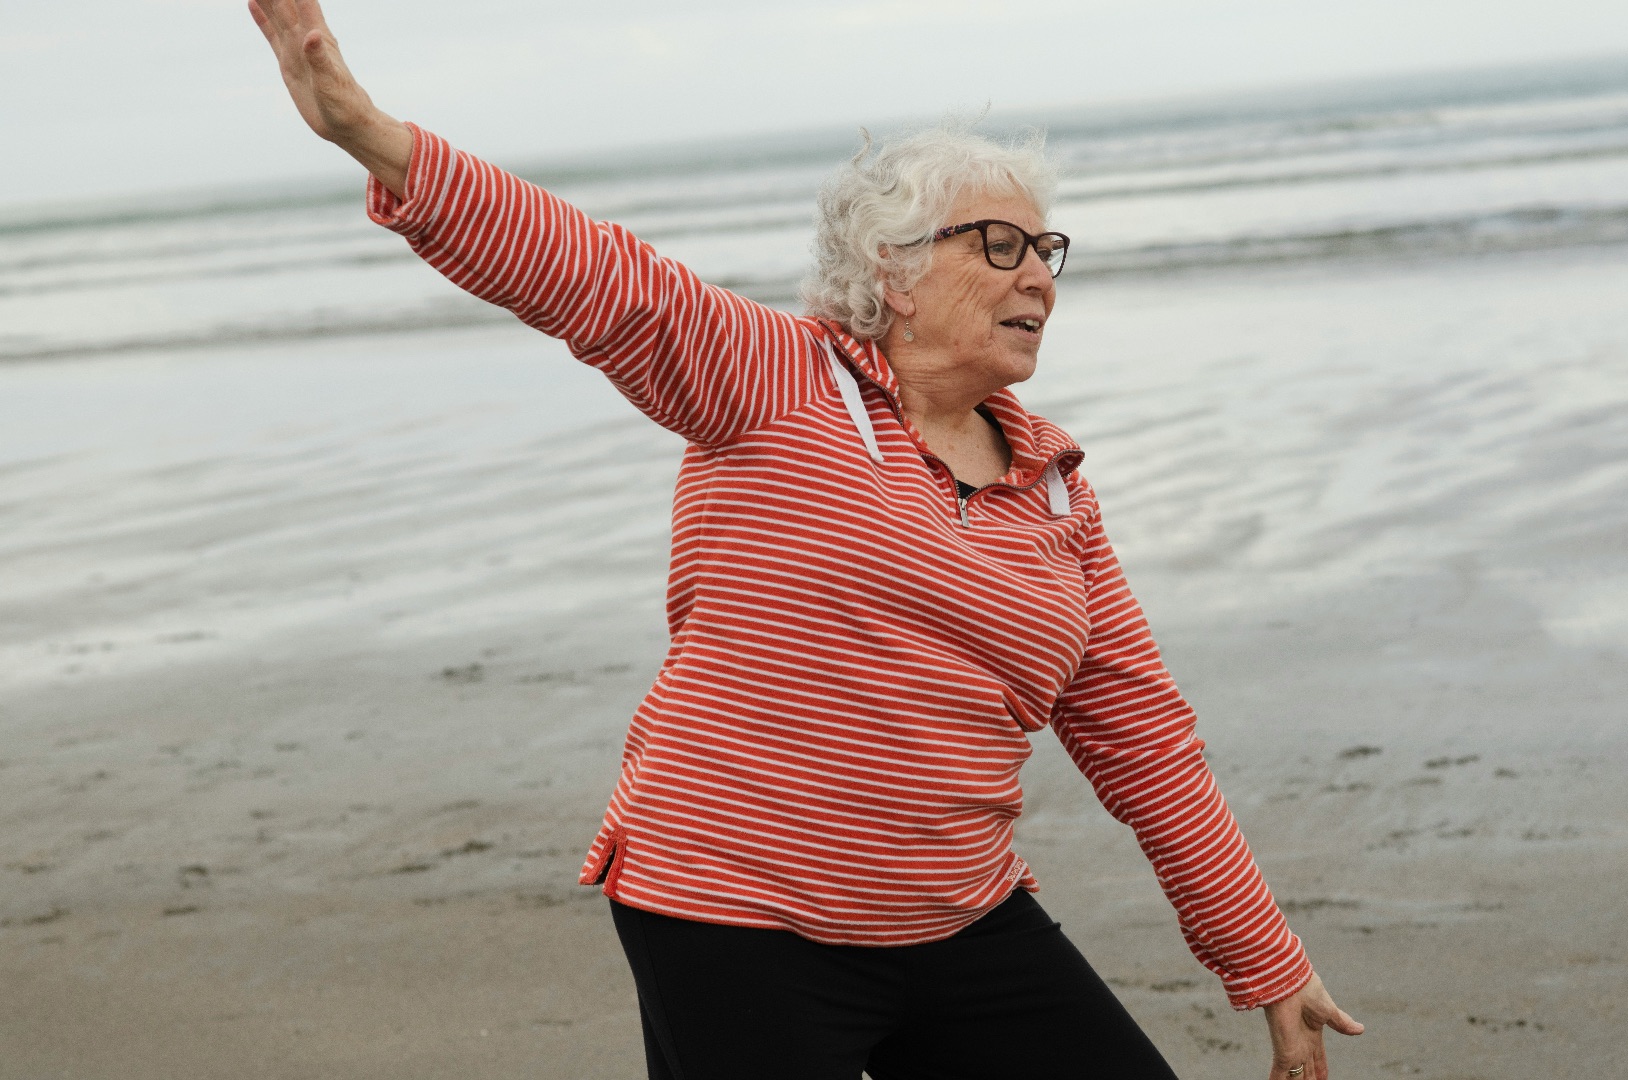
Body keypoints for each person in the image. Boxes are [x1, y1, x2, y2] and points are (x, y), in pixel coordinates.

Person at [248, 2, 1364, 1077]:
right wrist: (366, 129)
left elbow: (1143, 739)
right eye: (999, 243)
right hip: (734, 916)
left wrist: (1267, 961)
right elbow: (598, 278)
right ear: (894, 272)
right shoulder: (782, 383)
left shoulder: (1053, 486)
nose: (1038, 274)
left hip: (957, 916)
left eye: (1046, 248)